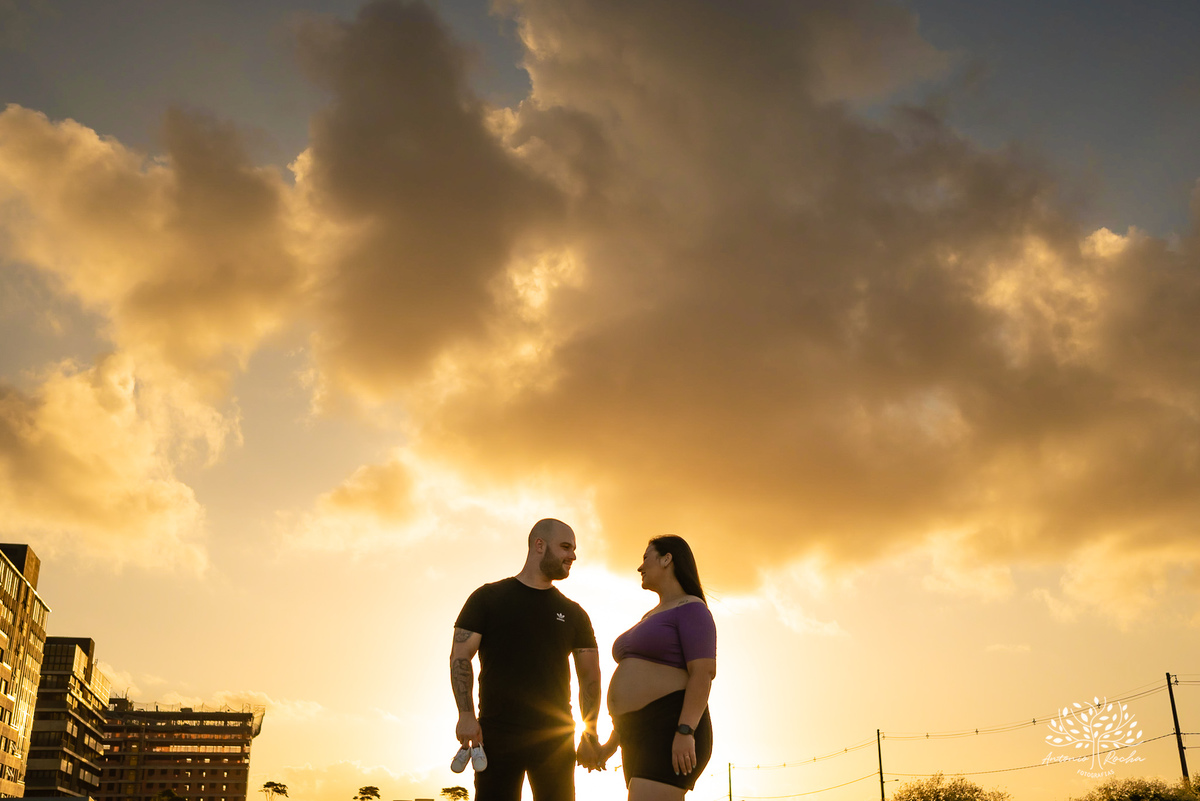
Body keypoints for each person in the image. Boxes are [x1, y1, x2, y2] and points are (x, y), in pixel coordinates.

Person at [450, 518, 603, 801]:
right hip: (496, 734)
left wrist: (590, 734)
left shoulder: (574, 613)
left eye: (574, 549)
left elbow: (590, 677)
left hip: (554, 738)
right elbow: (461, 656)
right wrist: (466, 715)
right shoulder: (488, 598)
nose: (573, 556)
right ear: (539, 545)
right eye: (565, 547)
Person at [595, 536, 717, 801]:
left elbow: (703, 673)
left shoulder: (692, 608)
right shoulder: (650, 616)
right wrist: (611, 744)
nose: (640, 567)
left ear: (667, 558)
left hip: (668, 725)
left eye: (645, 557)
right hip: (635, 733)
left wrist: (685, 731)